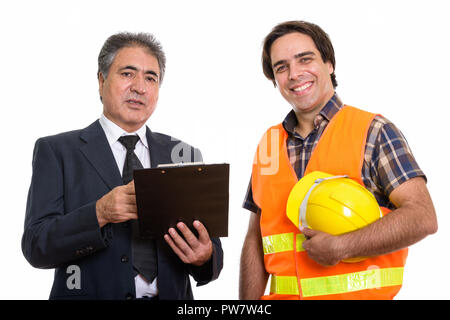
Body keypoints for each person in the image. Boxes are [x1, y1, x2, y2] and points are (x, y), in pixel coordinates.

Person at [239, 21, 437, 300]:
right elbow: (255, 239)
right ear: (274, 79)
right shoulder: (268, 144)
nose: (294, 74)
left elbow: (422, 217)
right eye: (281, 67)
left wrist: (343, 246)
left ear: (329, 63)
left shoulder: (374, 131)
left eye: (304, 59)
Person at [22, 32, 223, 300]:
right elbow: (37, 246)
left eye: (151, 78)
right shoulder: (58, 151)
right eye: (128, 74)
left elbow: (212, 254)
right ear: (101, 80)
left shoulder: (183, 154)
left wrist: (205, 256)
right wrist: (100, 213)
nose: (140, 87)